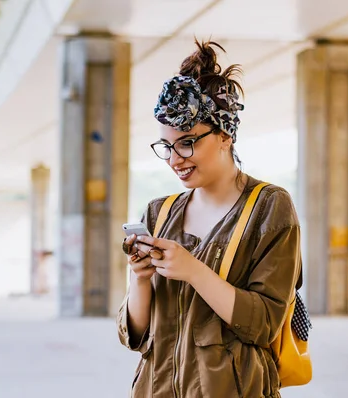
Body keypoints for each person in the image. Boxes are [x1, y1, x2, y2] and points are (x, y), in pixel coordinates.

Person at [117, 39, 307, 398]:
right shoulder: (159, 212)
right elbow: (138, 335)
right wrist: (139, 279)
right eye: (166, 146)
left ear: (224, 135)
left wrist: (193, 271)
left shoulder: (269, 207)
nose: (175, 159)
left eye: (187, 142)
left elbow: (264, 324)